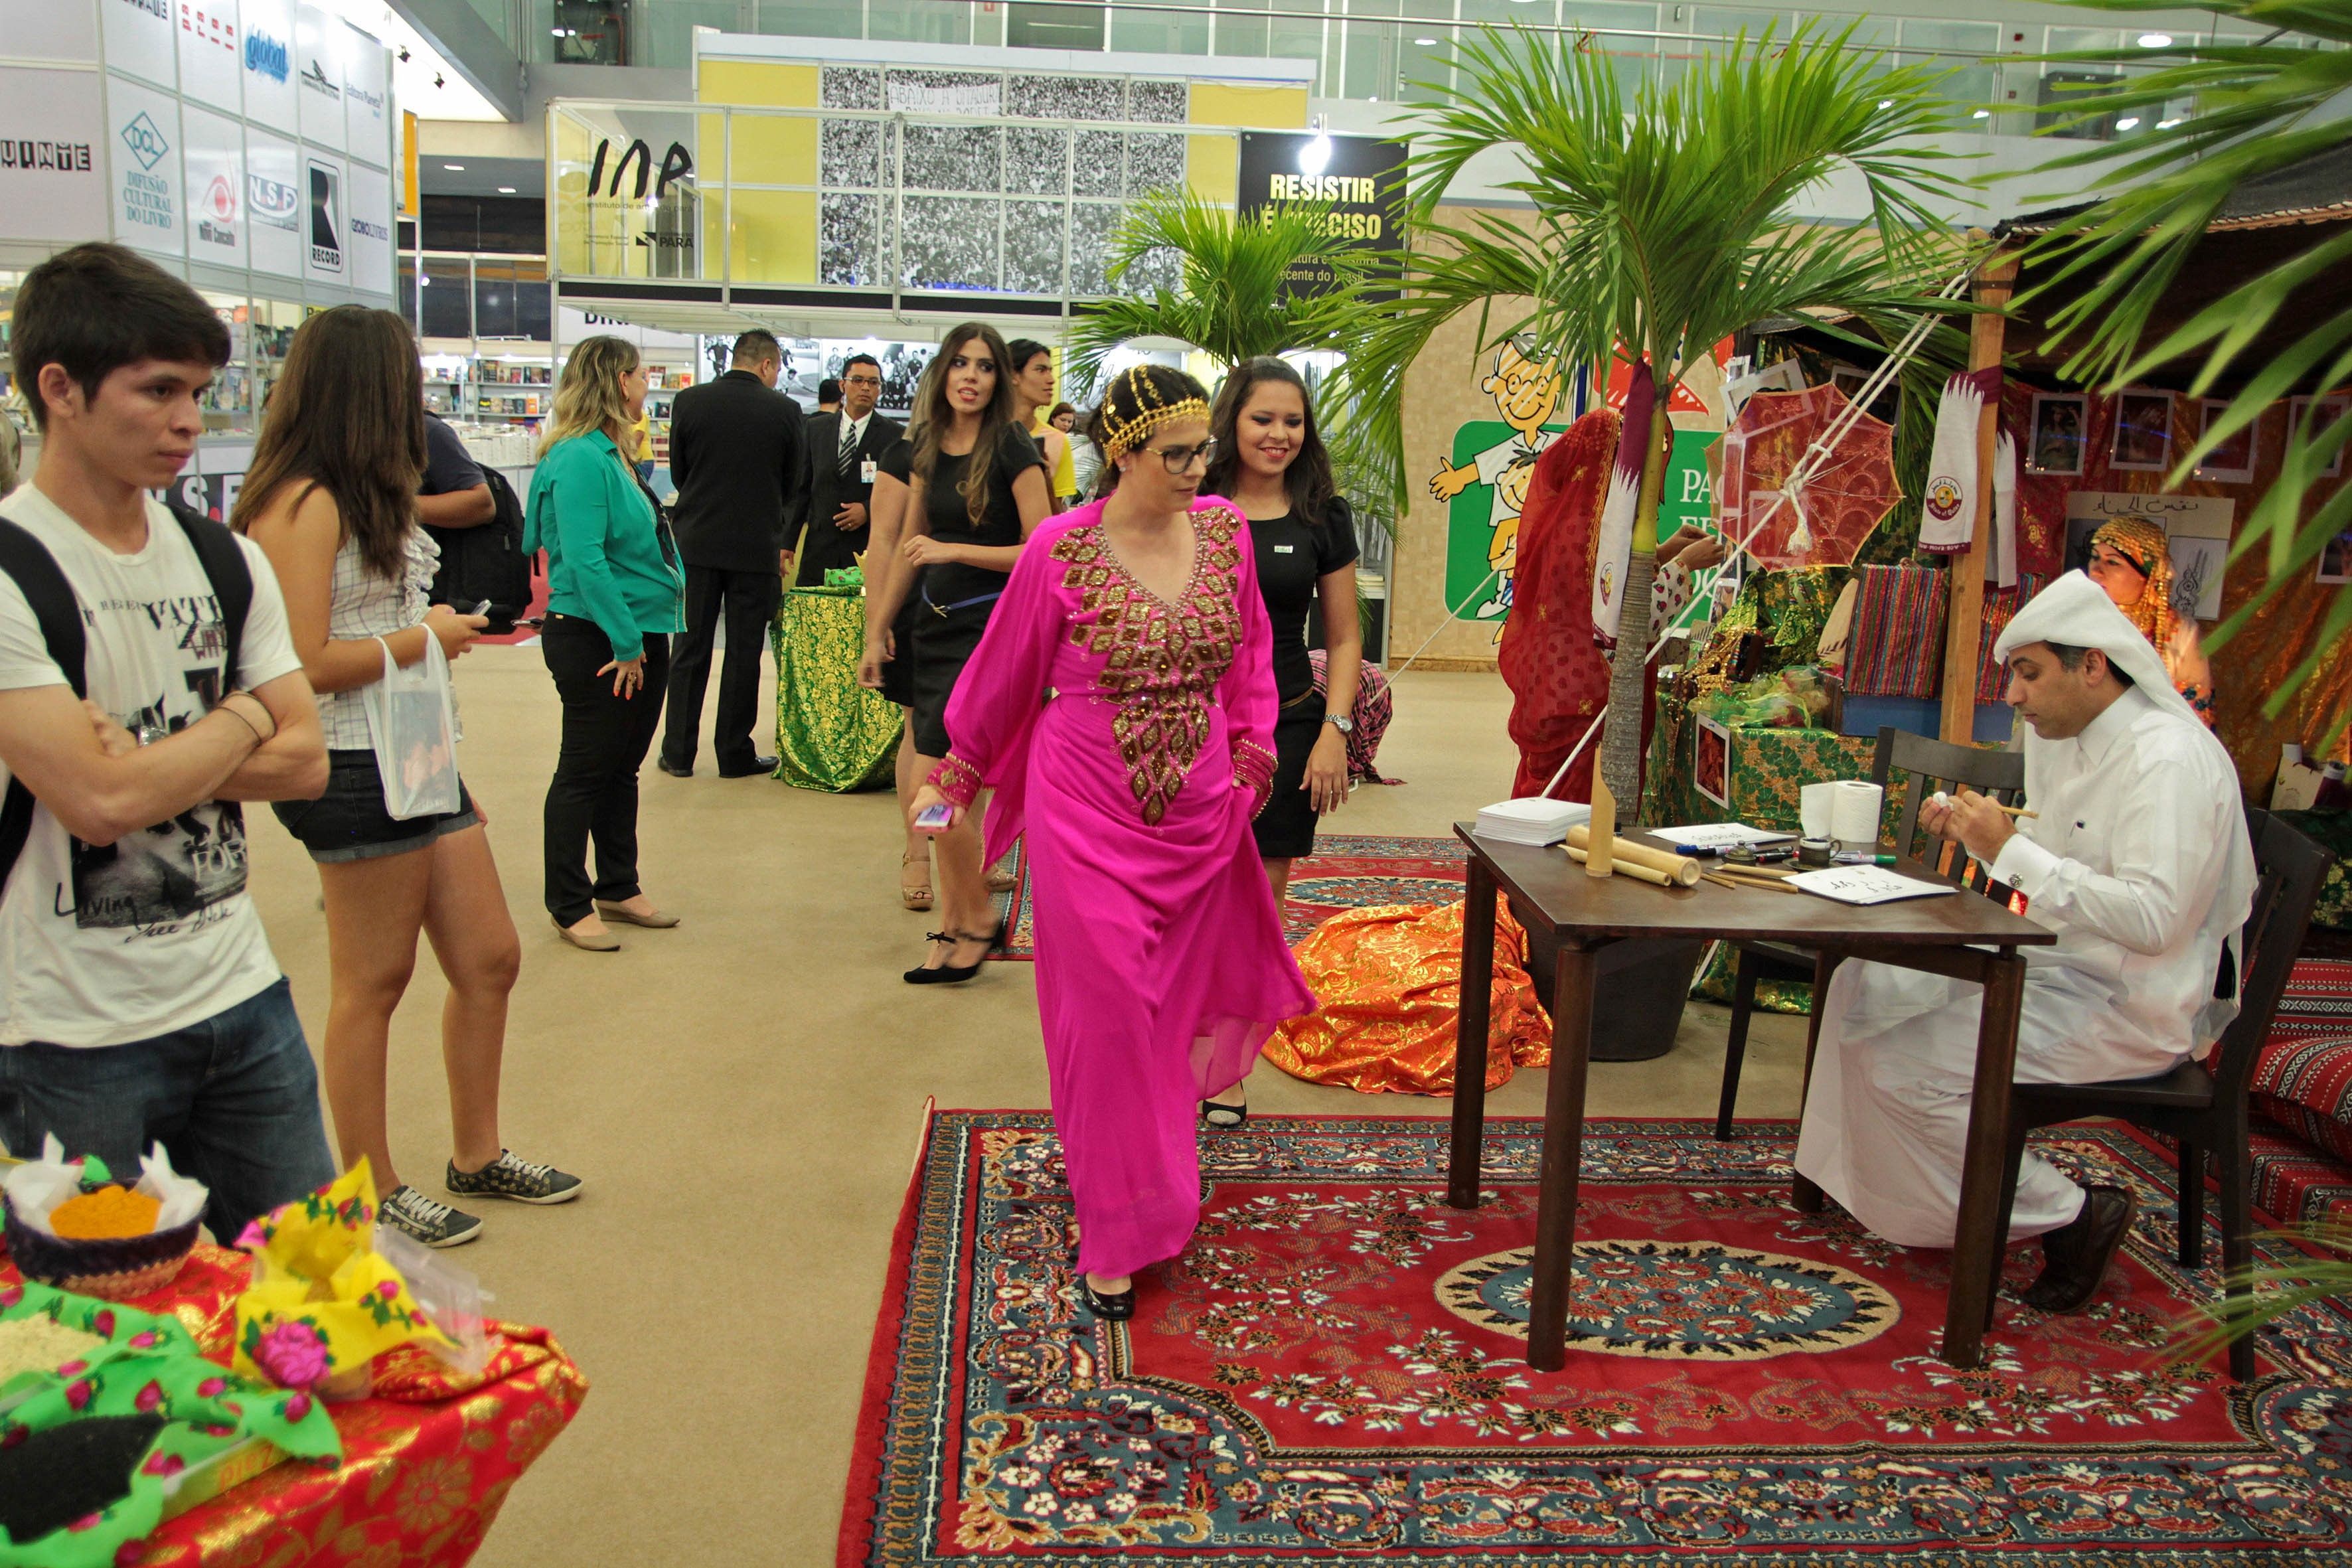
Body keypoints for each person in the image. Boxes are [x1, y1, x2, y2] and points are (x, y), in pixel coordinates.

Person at [907, 363, 1314, 1318]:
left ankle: (1149, 1182)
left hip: (1199, 810)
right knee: (1104, 1017)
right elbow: (1006, 669)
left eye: (1197, 450)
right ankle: (1116, 1225)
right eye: (1173, 454)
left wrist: (1253, 751)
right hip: (1083, 802)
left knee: (1165, 1010)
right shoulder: (1059, 548)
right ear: (1121, 453)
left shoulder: (1221, 534)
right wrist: (954, 777)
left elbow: (1251, 653)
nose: (1194, 468)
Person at [1794, 571, 2255, 1314]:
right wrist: (1982, 837)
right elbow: (2046, 860)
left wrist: (2010, 851)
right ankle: (1885, 1190)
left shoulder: (2166, 760)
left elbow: (2154, 920)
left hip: (2128, 1005)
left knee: (1896, 1060)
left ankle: (2072, 1210)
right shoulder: (2067, 737)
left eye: (2030, 673)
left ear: (2094, 664)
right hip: (2054, 965)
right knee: (1861, 982)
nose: (2012, 696)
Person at [0, 242, 335, 1241]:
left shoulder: (224, 558)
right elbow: (99, 806)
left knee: (315, 1301)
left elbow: (308, 759)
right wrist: (243, 713)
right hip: (68, 1030)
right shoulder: (15, 574)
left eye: (199, 389)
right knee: (106, 1354)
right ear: (60, 389)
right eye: (158, 391)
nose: (190, 419)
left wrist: (148, 756)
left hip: (243, 993)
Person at [236, 307, 579, 1248]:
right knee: (373, 977)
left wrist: (420, 636)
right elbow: (298, 660)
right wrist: (420, 636)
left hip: (417, 743)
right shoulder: (303, 501)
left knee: (489, 955)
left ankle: (478, 1150)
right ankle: (367, 1182)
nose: (417, 399)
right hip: (350, 758)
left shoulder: (367, 492)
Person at [882, 323, 1050, 982]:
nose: (972, 376)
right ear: (942, 375)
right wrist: (879, 628)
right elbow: (907, 543)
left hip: (991, 637)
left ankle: (972, 919)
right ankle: (963, 917)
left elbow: (1045, 549)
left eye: (984, 366)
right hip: (932, 632)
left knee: (941, 793)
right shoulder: (928, 445)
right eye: (960, 364)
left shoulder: (1011, 444)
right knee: (928, 803)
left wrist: (956, 552)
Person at [527, 336, 686, 952]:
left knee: (622, 770)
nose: (648, 383)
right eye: (642, 374)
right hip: (598, 636)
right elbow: (586, 561)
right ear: (620, 382)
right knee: (584, 772)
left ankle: (617, 884)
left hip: (640, 630)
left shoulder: (612, 451)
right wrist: (625, 642)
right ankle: (568, 901)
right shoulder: (577, 458)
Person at [657, 329, 805, 779]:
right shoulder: (785, 411)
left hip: (697, 541)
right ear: (766, 364)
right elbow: (793, 479)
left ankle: (678, 753)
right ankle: (733, 753)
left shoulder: (690, 402)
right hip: (754, 545)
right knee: (743, 652)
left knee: (689, 649)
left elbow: (680, 472)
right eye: (777, 369)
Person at [856, 435, 933, 910]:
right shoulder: (905, 454)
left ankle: (969, 850)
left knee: (973, 739)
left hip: (984, 606)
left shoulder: (1002, 449)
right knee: (922, 730)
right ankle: (918, 850)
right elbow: (882, 539)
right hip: (919, 607)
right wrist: (876, 620)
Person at [2084, 516, 2215, 728]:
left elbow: (2194, 711)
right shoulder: (2076, 618)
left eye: (2112, 562)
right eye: (2095, 557)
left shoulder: (2178, 630)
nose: (2096, 570)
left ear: (2147, 575)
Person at [795, 353, 903, 588]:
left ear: (880, 389)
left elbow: (904, 495)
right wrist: (787, 543)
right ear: (843, 385)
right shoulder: (816, 429)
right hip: (819, 551)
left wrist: (867, 509)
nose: (865, 387)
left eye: (873, 382)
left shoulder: (895, 436)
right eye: (858, 380)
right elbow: (802, 489)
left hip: (867, 552)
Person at [1008, 339, 1076, 510]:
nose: (1051, 380)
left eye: (1050, 371)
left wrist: (1044, 480)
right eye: (1041, 370)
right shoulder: (983, 433)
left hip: (1034, 536)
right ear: (1013, 375)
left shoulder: (1058, 441)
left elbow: (1058, 515)